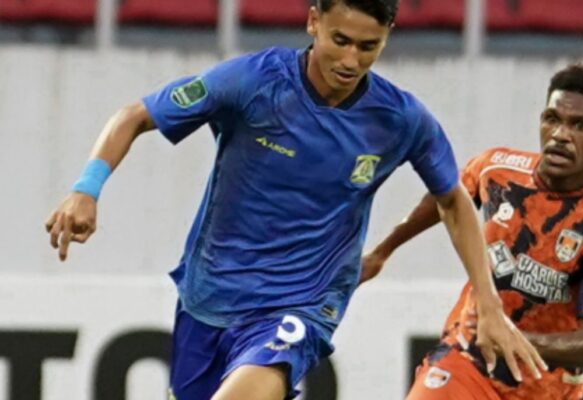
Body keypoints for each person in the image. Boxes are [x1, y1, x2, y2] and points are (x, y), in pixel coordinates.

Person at [45, 1, 545, 399]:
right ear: (313, 22)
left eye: (368, 47)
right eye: (340, 40)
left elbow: (453, 201)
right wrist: (86, 189)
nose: (350, 61)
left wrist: (488, 302)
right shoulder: (253, 81)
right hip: (209, 295)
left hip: (303, 303)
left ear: (387, 37)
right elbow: (134, 116)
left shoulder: (400, 119)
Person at [361, 64, 583, 400]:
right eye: (552, 119)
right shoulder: (497, 170)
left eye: (580, 125)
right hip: (469, 361)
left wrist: (510, 338)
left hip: (546, 390)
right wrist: (382, 251)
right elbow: (447, 199)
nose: (560, 135)